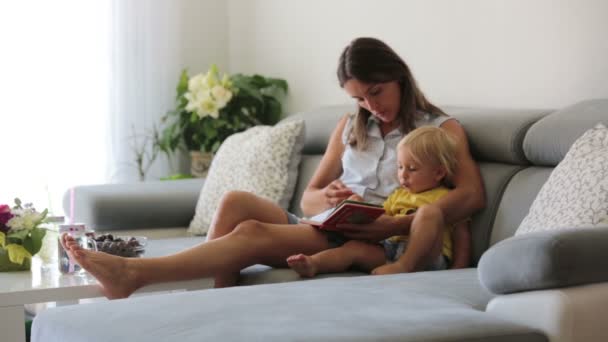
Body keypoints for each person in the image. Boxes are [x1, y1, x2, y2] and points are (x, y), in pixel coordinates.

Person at [61, 37, 485, 299]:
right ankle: (217, 301)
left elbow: (470, 194)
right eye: (359, 98)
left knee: (250, 233)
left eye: (376, 92)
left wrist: (392, 226)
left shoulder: (438, 130)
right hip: (330, 219)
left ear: (399, 78)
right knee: (234, 202)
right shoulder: (352, 126)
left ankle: (134, 274)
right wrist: (331, 196)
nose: (371, 106)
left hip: (372, 233)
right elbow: (310, 196)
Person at [287, 126, 468, 277]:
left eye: (412, 169)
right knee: (353, 248)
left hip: (429, 257)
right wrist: (357, 207)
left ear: (438, 173)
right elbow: (381, 220)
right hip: (390, 252)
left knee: (429, 213)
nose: (402, 175)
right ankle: (314, 264)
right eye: (399, 167)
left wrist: (457, 271)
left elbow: (462, 235)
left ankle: (405, 267)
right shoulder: (399, 195)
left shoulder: (446, 197)